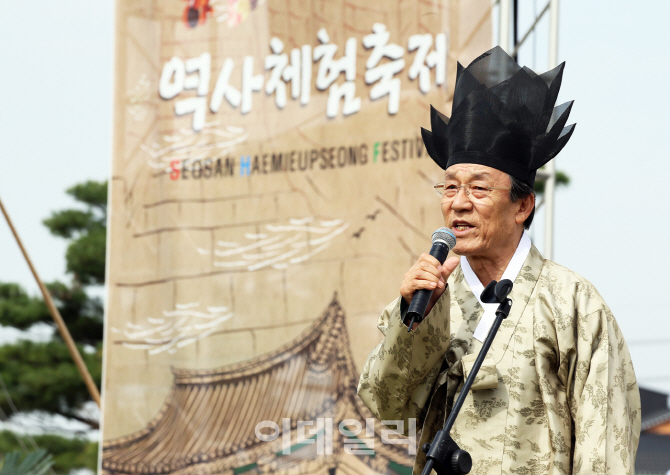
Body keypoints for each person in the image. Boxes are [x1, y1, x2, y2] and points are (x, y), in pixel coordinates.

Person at [357, 46, 640, 475]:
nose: (459, 205)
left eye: (479, 189)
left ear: (522, 205)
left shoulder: (573, 304)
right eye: (450, 188)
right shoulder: (428, 299)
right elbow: (387, 409)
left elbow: (606, 449)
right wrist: (413, 323)